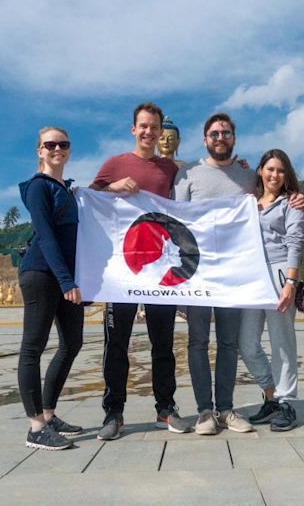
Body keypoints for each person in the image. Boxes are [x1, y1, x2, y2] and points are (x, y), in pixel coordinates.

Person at [173, 113, 304, 435]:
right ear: (205, 138)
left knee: (253, 343)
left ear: (234, 138)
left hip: (253, 276)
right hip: (209, 273)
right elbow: (177, 220)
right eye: (215, 133)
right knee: (224, 343)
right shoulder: (190, 174)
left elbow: (294, 240)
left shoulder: (251, 181)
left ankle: (269, 403)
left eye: (226, 133)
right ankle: (220, 408)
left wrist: (290, 280)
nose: (220, 137)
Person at [90, 102, 190, 440]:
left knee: (162, 343)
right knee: (116, 344)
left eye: (154, 127)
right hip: (123, 270)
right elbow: (89, 200)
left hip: (159, 269)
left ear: (161, 132)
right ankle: (114, 413)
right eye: (143, 126)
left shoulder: (170, 169)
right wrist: (112, 188)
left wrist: (242, 169)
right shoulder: (116, 164)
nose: (148, 132)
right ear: (133, 129)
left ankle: (165, 408)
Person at [17, 126, 85, 451]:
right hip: (42, 273)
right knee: (33, 347)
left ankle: (48, 413)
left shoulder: (68, 190)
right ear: (39, 150)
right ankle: (35, 427)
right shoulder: (37, 188)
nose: (57, 149)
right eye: (50, 144)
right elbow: (45, 236)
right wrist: (66, 281)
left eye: (63, 144)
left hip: (64, 278)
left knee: (72, 344)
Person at [238, 149, 304, 432]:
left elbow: (295, 241)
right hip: (252, 276)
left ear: (286, 174)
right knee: (247, 343)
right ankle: (270, 394)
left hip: (279, 273)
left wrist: (290, 283)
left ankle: (286, 402)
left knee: (282, 343)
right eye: (270, 169)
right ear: (260, 171)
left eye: (280, 170)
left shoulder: (291, 204)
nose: (274, 175)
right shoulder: (249, 203)